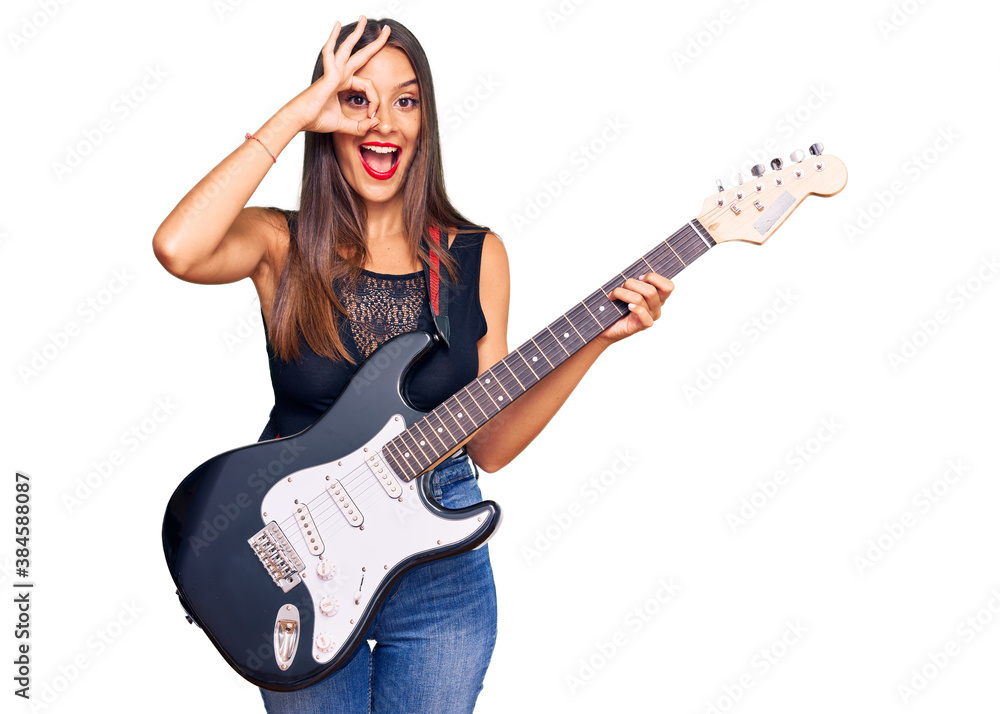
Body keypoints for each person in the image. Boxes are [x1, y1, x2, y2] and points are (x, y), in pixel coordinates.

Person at [152, 15, 674, 713]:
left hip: (441, 564)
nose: (383, 123)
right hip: (295, 550)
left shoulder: (475, 256)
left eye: (405, 100)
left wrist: (598, 342)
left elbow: (491, 445)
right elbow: (178, 247)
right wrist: (297, 115)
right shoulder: (281, 243)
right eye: (357, 99)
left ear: (425, 120)